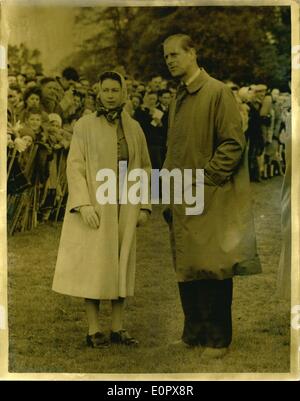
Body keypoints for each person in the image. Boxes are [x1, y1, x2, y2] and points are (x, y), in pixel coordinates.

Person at [162, 34, 261, 357]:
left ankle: (218, 339)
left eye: (175, 54)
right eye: (166, 57)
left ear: (193, 53)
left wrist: (203, 181)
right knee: (187, 263)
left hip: (209, 194)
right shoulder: (177, 97)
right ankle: (193, 334)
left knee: (214, 265)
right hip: (181, 195)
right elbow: (173, 149)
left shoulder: (217, 92)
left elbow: (233, 144)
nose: (170, 60)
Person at [52, 71, 152, 348]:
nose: (110, 95)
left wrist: (143, 205)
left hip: (125, 203)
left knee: (122, 261)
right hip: (97, 203)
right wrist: (83, 204)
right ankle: (94, 329)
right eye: (105, 90)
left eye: (115, 90)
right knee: (95, 265)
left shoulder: (134, 127)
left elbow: (143, 166)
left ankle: (118, 327)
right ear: (99, 93)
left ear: (123, 93)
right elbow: (75, 166)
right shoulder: (84, 126)